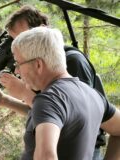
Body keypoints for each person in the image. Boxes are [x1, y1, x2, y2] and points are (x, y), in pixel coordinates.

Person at [0, 5, 105, 159]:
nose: (17, 44)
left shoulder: (72, 61)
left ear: (42, 29)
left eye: (23, 37)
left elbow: (72, 115)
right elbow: (47, 112)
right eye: (14, 39)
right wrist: (5, 101)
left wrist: (24, 92)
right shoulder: (44, 74)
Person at [6, 26, 120, 159]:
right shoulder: (93, 94)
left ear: (38, 64)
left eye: (18, 64)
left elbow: (46, 156)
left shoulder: (48, 99)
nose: (16, 71)